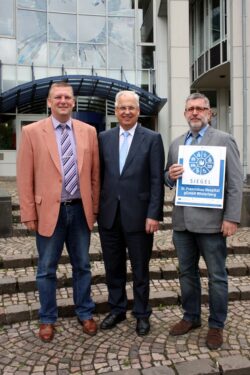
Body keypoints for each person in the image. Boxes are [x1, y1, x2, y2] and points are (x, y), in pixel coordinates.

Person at [16, 82, 100, 342]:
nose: (63, 100)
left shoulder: (88, 132)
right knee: (46, 269)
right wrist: (28, 212)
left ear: (73, 102)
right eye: (58, 97)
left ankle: (85, 312)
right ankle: (47, 318)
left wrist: (94, 209)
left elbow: (95, 175)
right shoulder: (31, 132)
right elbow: (24, 176)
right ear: (49, 103)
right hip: (48, 212)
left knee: (83, 266)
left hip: (79, 210)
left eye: (67, 97)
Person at [165, 92, 243, 350]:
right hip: (182, 224)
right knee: (187, 273)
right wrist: (170, 175)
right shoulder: (177, 144)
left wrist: (232, 217)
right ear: (185, 113)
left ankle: (216, 325)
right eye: (190, 109)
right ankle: (191, 317)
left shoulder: (224, 140)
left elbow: (235, 183)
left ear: (209, 113)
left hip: (212, 224)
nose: (195, 113)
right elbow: (167, 178)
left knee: (217, 276)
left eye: (200, 108)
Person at [98, 90, 165, 336]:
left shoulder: (152, 138)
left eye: (131, 108)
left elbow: (157, 179)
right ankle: (117, 309)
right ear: (116, 110)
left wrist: (154, 214)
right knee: (113, 267)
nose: (127, 112)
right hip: (109, 216)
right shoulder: (103, 138)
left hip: (140, 216)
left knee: (140, 270)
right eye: (122, 108)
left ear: (138, 111)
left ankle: (142, 314)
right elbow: (100, 177)